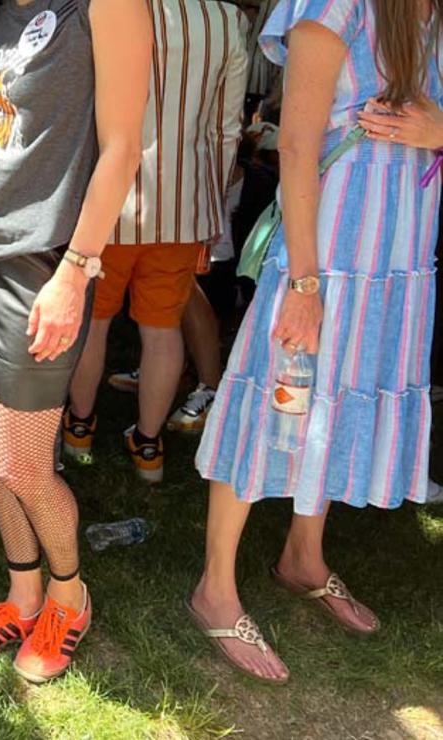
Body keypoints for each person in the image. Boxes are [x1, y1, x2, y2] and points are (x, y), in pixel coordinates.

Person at [189, 0, 442, 685]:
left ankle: (305, 555)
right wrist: (303, 283)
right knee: (276, 399)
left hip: (398, 260)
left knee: (334, 402)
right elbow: (296, 143)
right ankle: (215, 586)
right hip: (326, 257)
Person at [0, 0, 150, 683]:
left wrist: (77, 270)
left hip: (43, 261)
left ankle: (69, 597)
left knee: (27, 463)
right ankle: (22, 595)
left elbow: (122, 145)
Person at [62, 0, 248, 482]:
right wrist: (214, 199)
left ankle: (79, 428)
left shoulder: (111, 7)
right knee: (162, 328)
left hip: (111, 199)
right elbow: (228, 128)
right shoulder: (228, 19)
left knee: (94, 322)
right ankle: (149, 447)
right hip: (184, 203)